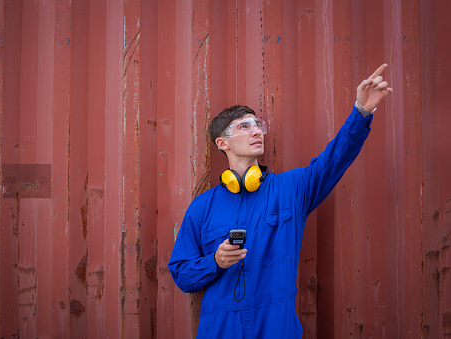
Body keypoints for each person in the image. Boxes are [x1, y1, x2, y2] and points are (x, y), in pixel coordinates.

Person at [168, 64, 393, 338]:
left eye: (257, 125)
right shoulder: (202, 207)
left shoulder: (291, 189)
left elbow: (335, 159)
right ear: (222, 143)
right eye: (244, 126)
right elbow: (181, 274)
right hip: (220, 329)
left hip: (276, 327)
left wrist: (361, 112)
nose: (256, 132)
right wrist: (215, 260)